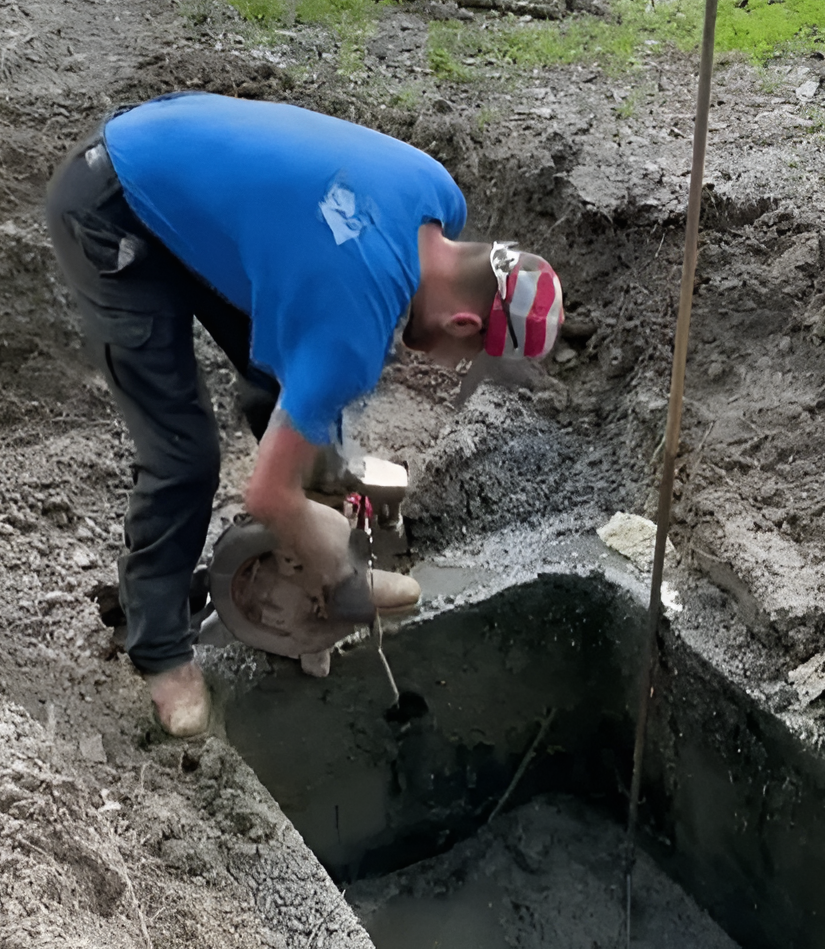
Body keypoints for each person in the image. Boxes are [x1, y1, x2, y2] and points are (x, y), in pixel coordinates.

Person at [46, 92, 563, 737]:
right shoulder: (352, 325)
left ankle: (291, 580)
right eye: (470, 352)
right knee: (184, 455)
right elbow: (264, 493)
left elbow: (316, 308)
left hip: (181, 155)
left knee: (291, 383)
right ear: (464, 321)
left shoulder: (437, 197)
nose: (457, 364)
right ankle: (160, 650)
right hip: (113, 206)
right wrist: (340, 572)